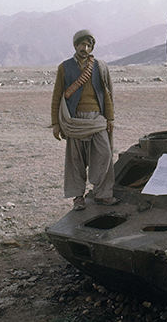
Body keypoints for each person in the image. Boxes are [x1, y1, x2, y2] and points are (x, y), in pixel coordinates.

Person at [51, 29, 120, 211]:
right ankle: (78, 197)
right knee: (76, 160)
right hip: (74, 120)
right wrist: (56, 124)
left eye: (89, 45)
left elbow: (107, 94)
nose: (85, 48)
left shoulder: (100, 66)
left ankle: (102, 193)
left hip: (97, 118)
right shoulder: (64, 67)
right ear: (75, 45)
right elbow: (57, 96)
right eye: (82, 44)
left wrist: (110, 118)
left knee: (105, 153)